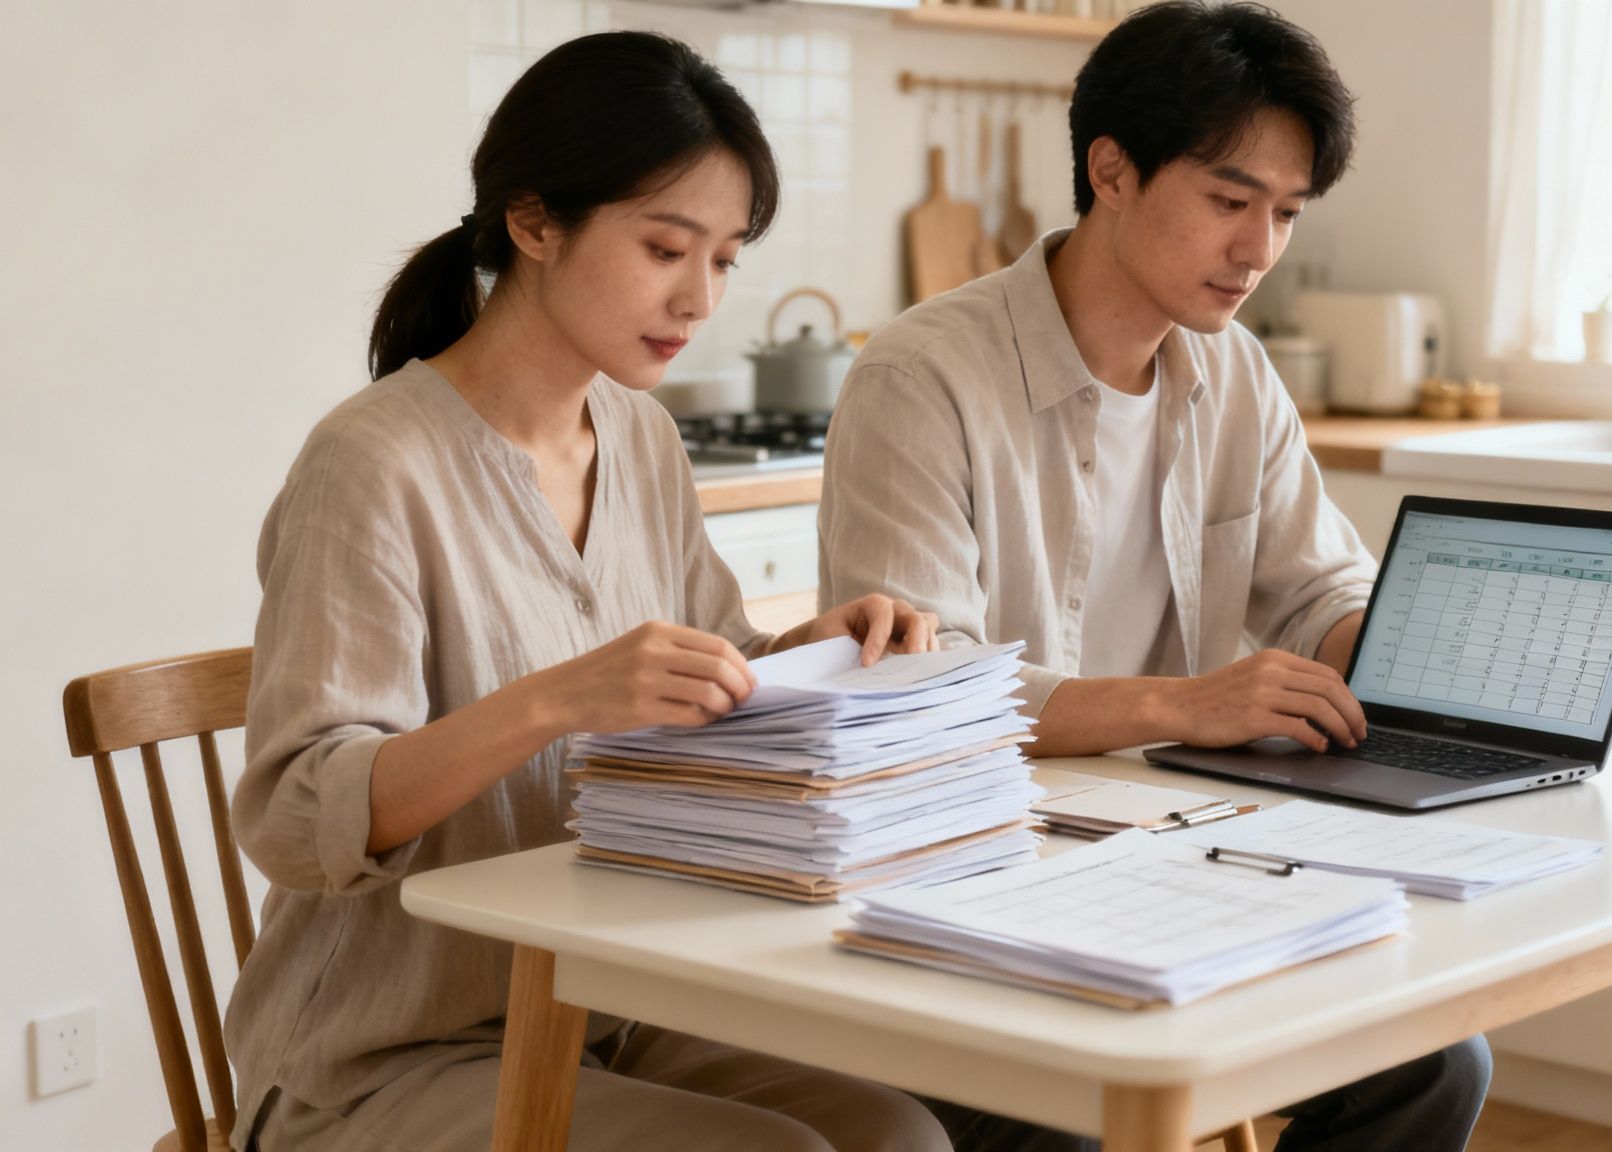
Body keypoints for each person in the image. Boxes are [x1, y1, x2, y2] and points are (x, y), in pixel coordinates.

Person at [226, 31, 950, 1152]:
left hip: (601, 1008)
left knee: (900, 1133)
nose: (699, 297)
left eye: (724, 258)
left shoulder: (639, 435)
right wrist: (556, 699)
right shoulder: (373, 464)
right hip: (373, 1062)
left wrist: (814, 645)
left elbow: (712, 666)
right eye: (667, 247)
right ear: (533, 224)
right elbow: (292, 810)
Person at [818, 3, 1491, 1149]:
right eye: (1229, 202)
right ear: (1111, 172)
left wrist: (1411, 656)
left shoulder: (1231, 374)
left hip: (1166, 860)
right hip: (969, 888)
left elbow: (1317, 587)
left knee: (1429, 1061)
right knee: (1064, 1117)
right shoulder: (923, 376)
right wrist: (1185, 706)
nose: (1259, 250)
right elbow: (921, 705)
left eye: (1284, 213)